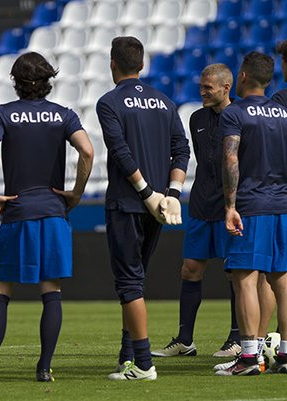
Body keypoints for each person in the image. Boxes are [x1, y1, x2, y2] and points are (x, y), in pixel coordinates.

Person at [0, 51, 94, 383]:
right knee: (50, 291)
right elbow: (87, 150)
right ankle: (43, 368)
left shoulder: (2, 113)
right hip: (53, 211)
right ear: (48, 82)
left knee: (1, 288)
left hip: (17, 211)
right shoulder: (63, 115)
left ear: (15, 82)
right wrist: (77, 192)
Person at [97, 37, 190, 381]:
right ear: (142, 64)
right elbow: (182, 150)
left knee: (129, 284)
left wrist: (147, 192)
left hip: (127, 203)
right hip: (160, 208)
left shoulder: (109, 102)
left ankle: (143, 364)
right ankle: (127, 357)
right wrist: (173, 193)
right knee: (135, 280)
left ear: (112, 63)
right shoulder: (165, 102)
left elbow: (120, 152)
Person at [152, 64, 242, 358]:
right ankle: (184, 340)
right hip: (202, 204)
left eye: (208, 88)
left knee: (235, 274)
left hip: (232, 206)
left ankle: (237, 338)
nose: (201, 92)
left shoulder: (241, 116)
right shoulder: (197, 118)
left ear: (226, 88)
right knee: (190, 269)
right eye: (201, 86)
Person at [216, 51, 287, 376]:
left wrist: (230, 206)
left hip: (251, 203)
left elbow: (231, 159)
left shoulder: (235, 113)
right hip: (282, 204)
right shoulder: (283, 112)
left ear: (242, 76)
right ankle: (285, 353)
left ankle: (248, 358)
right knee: (282, 278)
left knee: (245, 277)